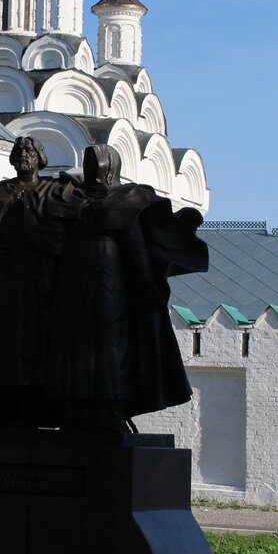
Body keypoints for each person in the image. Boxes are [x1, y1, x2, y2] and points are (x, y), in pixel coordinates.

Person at [46, 144, 208, 430]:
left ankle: (110, 408)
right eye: (88, 161)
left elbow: (135, 247)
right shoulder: (69, 197)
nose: (92, 167)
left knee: (110, 342)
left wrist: (147, 283)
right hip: (71, 279)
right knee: (71, 343)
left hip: (108, 277)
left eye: (97, 162)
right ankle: (74, 407)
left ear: (111, 166)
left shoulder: (126, 199)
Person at [0, 136, 63, 425]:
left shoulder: (53, 193)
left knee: (36, 346)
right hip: (1, 284)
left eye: (29, 150)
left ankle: (32, 409)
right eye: (19, 150)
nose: (23, 154)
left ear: (40, 156)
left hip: (38, 282)